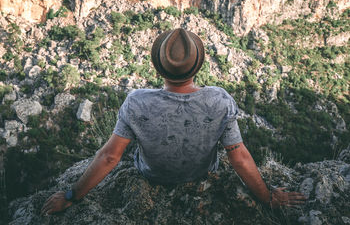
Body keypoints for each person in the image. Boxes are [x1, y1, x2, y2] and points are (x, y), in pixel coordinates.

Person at [41, 28, 306, 215]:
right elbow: (239, 158)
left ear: (158, 67)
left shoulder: (136, 102)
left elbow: (110, 157)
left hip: (153, 176)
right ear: (198, 65)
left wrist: (70, 196)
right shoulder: (220, 100)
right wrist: (268, 197)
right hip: (202, 174)